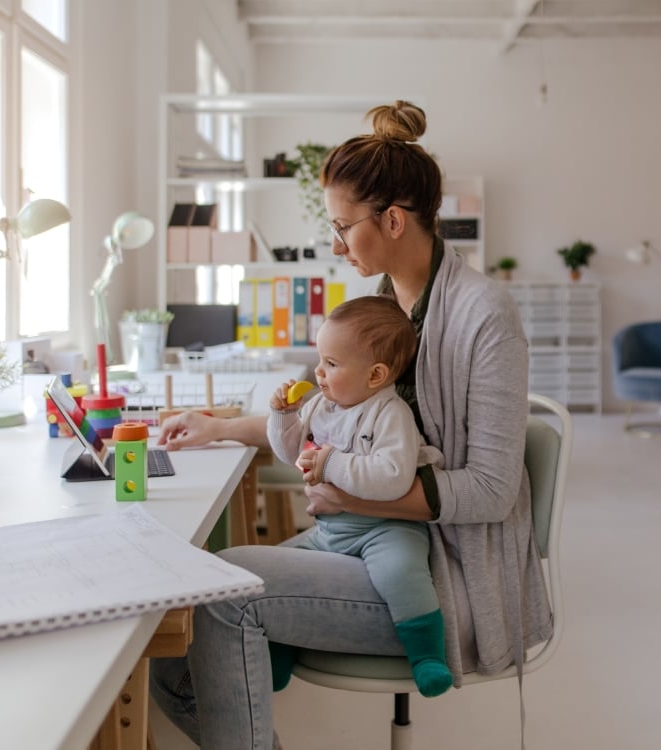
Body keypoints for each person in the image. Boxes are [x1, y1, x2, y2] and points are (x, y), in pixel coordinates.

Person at [150, 100, 551, 750]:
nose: (335, 245)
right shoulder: (384, 308)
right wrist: (220, 426)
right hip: (367, 538)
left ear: (392, 220)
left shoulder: (483, 315)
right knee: (173, 625)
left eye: (343, 228)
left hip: (436, 574)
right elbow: (334, 424)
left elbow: (493, 490)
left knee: (218, 593)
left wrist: (351, 494)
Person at [266, 295, 450, 698]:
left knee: (401, 572)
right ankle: (280, 646)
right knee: (283, 566)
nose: (319, 372)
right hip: (330, 530)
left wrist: (331, 463)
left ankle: (426, 655)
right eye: (320, 359)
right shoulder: (321, 406)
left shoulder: (390, 414)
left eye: (332, 364)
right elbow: (291, 453)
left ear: (375, 375)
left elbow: (392, 479)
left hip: (386, 528)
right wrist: (284, 418)